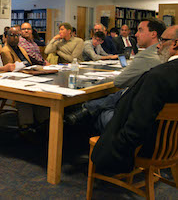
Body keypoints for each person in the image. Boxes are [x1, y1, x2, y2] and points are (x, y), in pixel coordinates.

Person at [91, 25, 178, 175]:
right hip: (172, 145)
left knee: (102, 112)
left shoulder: (158, 76)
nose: (159, 45)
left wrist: (118, 150)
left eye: (163, 41)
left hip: (149, 147)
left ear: (175, 43)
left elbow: (137, 125)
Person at [65, 17, 166, 131]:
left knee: (102, 110)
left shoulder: (147, 55)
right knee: (114, 97)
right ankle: (83, 112)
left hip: (134, 122)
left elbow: (119, 82)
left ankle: (79, 128)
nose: (136, 34)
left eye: (140, 30)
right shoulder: (164, 54)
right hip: (156, 120)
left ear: (153, 34)